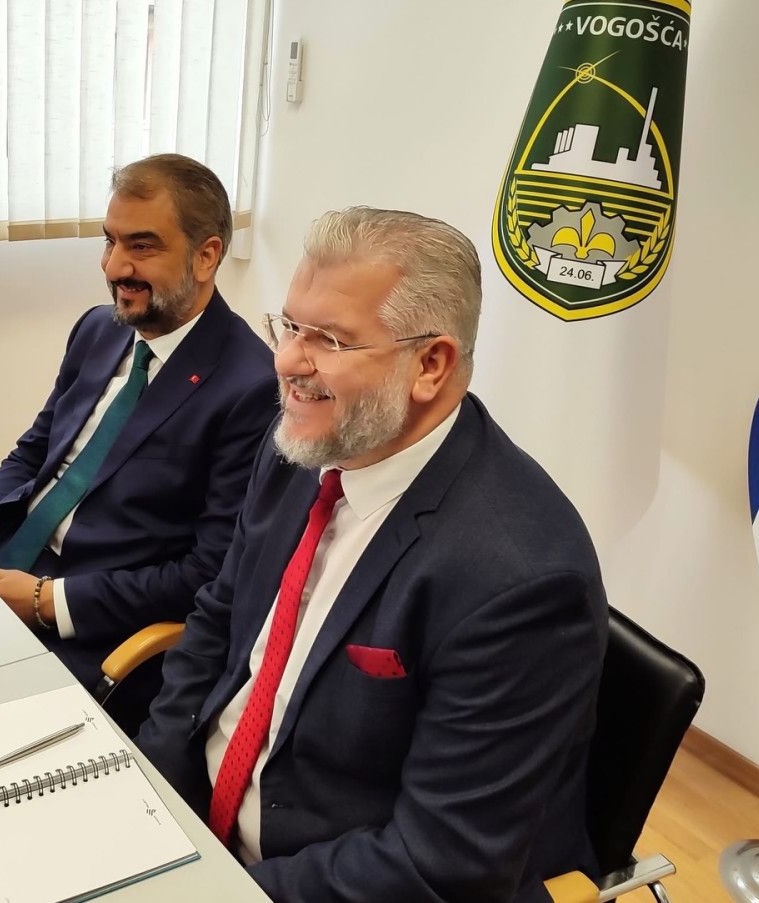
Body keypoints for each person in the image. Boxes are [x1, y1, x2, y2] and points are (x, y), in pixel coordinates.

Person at [136, 207, 608, 901]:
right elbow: (220, 616)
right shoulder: (306, 444)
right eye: (289, 326)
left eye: (328, 339)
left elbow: (438, 864)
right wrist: (149, 795)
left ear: (430, 364)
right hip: (200, 834)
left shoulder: (519, 578)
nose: (286, 362)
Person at [0, 154, 277, 729]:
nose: (114, 266)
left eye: (142, 246)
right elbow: (37, 447)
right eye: (110, 241)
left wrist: (46, 601)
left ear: (206, 256)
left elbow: (208, 572)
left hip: (91, 621)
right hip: (1, 559)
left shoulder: (251, 386)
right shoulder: (98, 329)